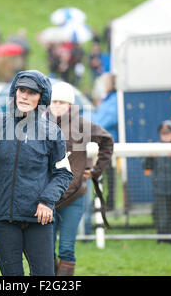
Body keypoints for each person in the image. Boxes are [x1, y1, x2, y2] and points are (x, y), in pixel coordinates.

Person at [0, 70, 74, 276]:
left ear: (42, 98)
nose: (24, 96)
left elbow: (63, 174)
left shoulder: (52, 132)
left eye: (32, 92)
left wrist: (47, 201)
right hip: (0, 217)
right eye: (21, 90)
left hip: (38, 218)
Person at [47, 81, 113, 276]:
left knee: (66, 248)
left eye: (62, 102)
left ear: (70, 105)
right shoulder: (39, 124)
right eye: (54, 101)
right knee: (45, 250)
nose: (57, 105)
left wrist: (96, 171)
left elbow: (107, 141)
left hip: (74, 197)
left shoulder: (82, 124)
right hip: (46, 199)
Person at [142, 120, 171, 243]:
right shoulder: (155, 147)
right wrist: (149, 157)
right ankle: (161, 239)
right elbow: (146, 166)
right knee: (161, 215)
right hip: (160, 188)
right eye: (163, 133)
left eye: (168, 133)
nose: (165, 136)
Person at [91, 73, 118, 211]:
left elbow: (103, 121)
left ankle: (108, 203)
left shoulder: (113, 100)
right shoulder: (107, 99)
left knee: (109, 177)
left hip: (109, 145)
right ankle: (99, 201)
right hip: (101, 144)